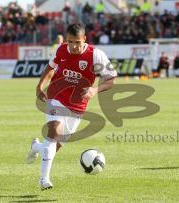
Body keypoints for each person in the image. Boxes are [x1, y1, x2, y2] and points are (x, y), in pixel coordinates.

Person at [26, 23, 117, 190]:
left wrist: (95, 90)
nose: (73, 46)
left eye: (77, 42)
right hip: (56, 97)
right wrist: (39, 87)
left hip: (78, 106)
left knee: (56, 144)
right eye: (70, 42)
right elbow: (50, 68)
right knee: (53, 132)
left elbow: (111, 78)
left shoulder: (96, 55)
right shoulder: (61, 49)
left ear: (84, 39)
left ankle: (36, 147)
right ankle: (44, 179)